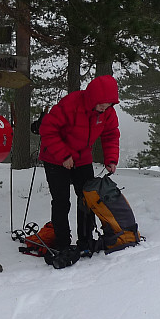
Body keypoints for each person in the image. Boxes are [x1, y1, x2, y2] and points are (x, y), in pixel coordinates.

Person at [38, 74, 120, 259]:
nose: (104, 108)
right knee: (61, 202)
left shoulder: (107, 112)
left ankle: (85, 241)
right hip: (55, 158)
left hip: (82, 159)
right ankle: (62, 244)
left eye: (108, 105)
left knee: (87, 199)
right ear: (92, 98)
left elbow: (111, 135)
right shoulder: (71, 104)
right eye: (101, 104)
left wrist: (111, 159)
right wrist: (64, 156)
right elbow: (47, 129)